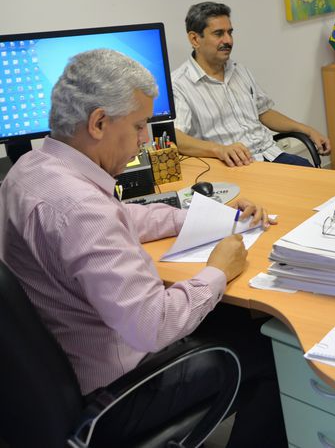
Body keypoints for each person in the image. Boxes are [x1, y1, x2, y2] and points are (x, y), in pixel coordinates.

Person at [0, 49, 286, 446]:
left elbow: (123, 218)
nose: (144, 141)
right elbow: (153, 325)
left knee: (235, 321)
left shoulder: (30, 171)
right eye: (138, 126)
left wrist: (209, 218)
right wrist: (219, 270)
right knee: (275, 352)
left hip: (54, 377)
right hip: (117, 392)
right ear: (99, 122)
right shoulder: (81, 208)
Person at [172, 1, 330, 167]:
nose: (228, 40)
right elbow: (175, 137)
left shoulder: (238, 70)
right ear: (195, 39)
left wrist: (307, 130)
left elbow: (264, 112)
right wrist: (218, 150)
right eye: (218, 34)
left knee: (314, 176)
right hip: (234, 166)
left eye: (230, 32)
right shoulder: (179, 84)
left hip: (271, 154)